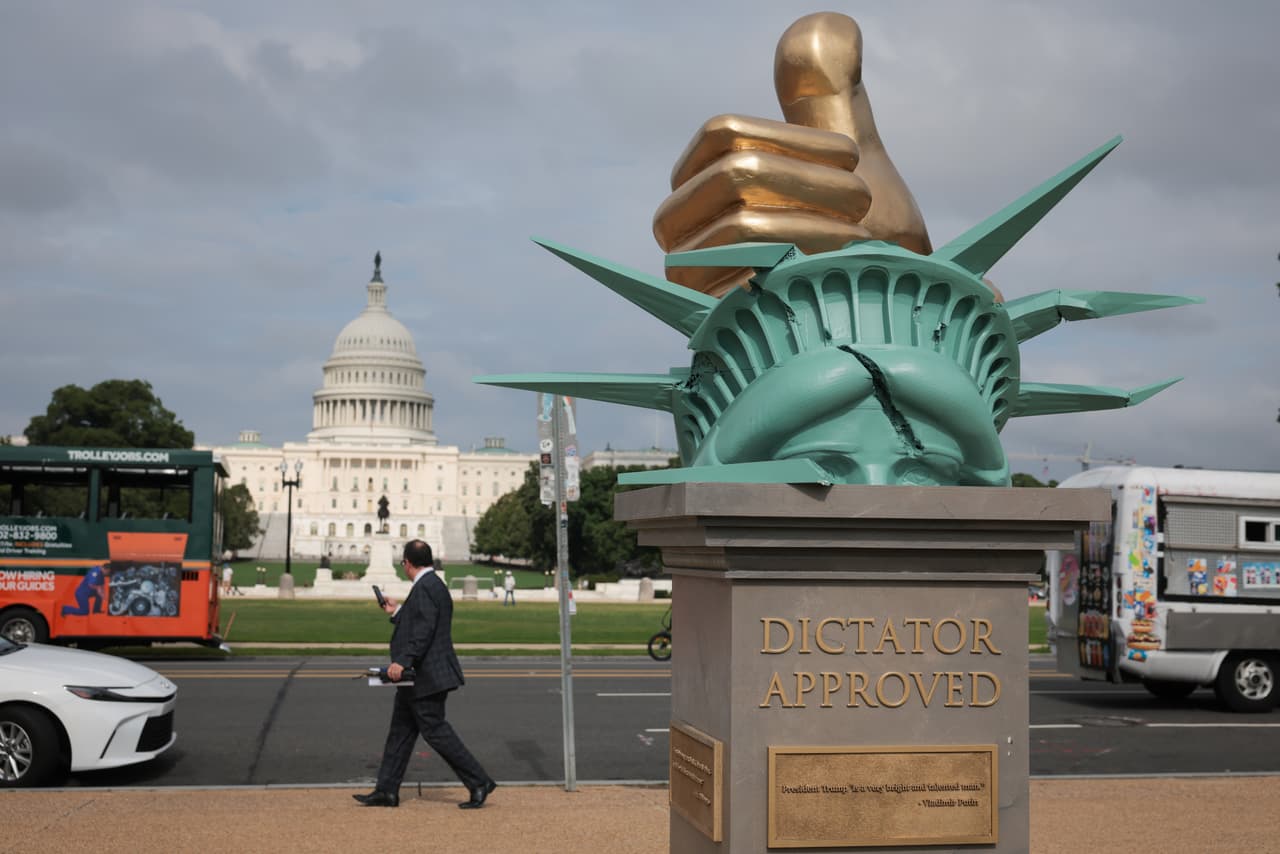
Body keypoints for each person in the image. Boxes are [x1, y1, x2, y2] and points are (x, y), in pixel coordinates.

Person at [354, 539, 497, 809]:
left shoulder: (426, 588)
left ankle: (479, 781)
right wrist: (396, 611)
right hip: (422, 676)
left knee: (437, 732)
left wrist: (403, 661)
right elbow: (419, 620)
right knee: (400, 733)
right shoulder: (431, 585)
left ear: (407, 563)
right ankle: (386, 790)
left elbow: (424, 630)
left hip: (425, 677)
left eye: (403, 563)